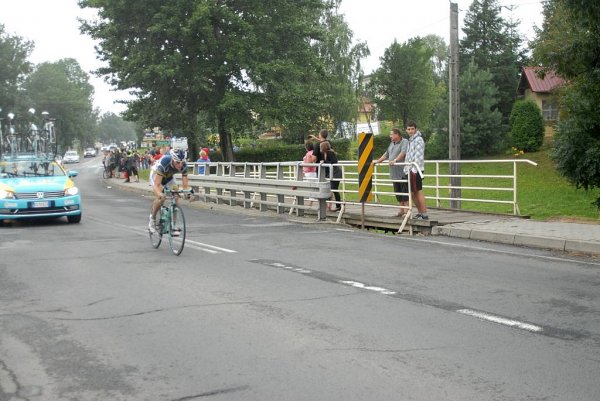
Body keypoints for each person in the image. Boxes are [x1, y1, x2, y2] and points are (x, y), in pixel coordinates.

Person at [148, 149, 191, 235]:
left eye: (182, 162)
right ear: (172, 160)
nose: (180, 165)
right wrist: (160, 194)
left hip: (169, 178)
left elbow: (185, 185)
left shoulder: (183, 165)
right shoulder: (165, 162)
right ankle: (152, 219)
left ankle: (173, 225)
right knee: (161, 198)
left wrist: (186, 193)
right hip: (156, 176)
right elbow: (157, 185)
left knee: (176, 195)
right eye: (177, 162)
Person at [373, 127, 409, 216]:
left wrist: (395, 160)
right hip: (394, 173)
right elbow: (386, 154)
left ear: (397, 134)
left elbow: (403, 153)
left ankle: (407, 210)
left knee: (405, 192)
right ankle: (401, 210)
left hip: (402, 172)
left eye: (391, 134)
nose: (390, 136)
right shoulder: (391, 144)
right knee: (398, 192)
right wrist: (376, 162)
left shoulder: (404, 142)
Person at [403, 120, 428, 220]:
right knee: (413, 193)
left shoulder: (418, 140)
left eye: (412, 129)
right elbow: (409, 156)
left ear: (415, 129)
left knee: (418, 191)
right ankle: (420, 212)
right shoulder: (411, 140)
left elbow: (418, 156)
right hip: (409, 169)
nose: (410, 131)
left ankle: (424, 213)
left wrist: (413, 170)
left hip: (415, 169)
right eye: (408, 129)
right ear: (406, 130)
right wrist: (406, 168)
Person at [320, 141, 342, 211]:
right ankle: (333, 206)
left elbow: (334, 162)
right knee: (332, 189)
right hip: (333, 173)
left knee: (334, 189)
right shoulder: (326, 153)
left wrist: (324, 162)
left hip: (336, 173)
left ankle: (338, 206)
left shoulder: (330, 153)